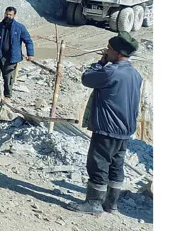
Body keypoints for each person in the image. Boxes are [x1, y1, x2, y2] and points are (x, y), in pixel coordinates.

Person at [69, 32, 142, 215]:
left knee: (98, 164)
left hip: (107, 128)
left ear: (117, 53)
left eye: (109, 49)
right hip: (125, 130)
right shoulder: (135, 74)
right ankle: (111, 204)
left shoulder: (111, 71)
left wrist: (100, 62)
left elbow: (87, 78)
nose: (106, 51)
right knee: (116, 166)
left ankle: (94, 204)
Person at [0, 6, 34, 100]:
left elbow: (28, 40)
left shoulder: (19, 27)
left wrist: (30, 54)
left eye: (10, 15)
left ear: (14, 15)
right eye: (6, 14)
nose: (8, 16)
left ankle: (7, 95)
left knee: (8, 78)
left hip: (11, 57)